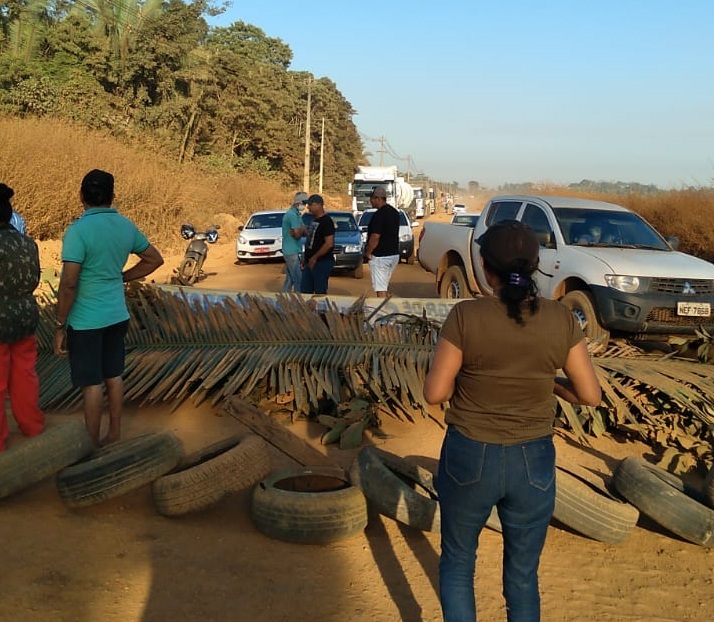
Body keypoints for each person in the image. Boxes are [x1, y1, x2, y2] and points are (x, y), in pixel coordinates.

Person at [423, 219, 601, 621]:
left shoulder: (465, 316)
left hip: (470, 454)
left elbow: (435, 393)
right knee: (522, 576)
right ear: (536, 266)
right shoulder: (561, 319)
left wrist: (469, 381)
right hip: (533, 461)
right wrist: (551, 384)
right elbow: (590, 395)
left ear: (485, 267)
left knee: (458, 564)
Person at [53, 169, 164, 447]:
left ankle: (91, 444)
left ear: (81, 196)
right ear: (112, 196)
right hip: (117, 316)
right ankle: (114, 434)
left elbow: (69, 283)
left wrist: (59, 325)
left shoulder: (78, 231)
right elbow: (154, 259)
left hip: (85, 321)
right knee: (113, 376)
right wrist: (122, 276)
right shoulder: (125, 226)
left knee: (92, 384)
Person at [0, 183, 45, 451]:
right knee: (25, 376)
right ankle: (33, 426)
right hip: (25, 319)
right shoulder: (28, 243)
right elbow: (34, 279)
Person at [364, 186, 400, 298]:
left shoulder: (379, 215)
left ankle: (382, 308)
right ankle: (386, 305)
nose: (370, 201)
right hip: (394, 255)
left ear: (378, 199)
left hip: (381, 257)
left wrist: (368, 252)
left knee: (380, 289)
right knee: (384, 285)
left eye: (372, 198)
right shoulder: (394, 212)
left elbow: (375, 236)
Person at [300, 194, 335, 295]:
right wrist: (305, 258)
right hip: (309, 262)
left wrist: (314, 258)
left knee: (319, 292)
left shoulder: (326, 222)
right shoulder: (314, 221)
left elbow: (329, 243)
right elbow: (310, 241)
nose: (308, 207)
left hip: (321, 262)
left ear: (318, 205)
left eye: (310, 205)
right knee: (305, 291)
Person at [281, 191, 308, 293]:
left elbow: (304, 232)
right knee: (298, 278)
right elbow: (298, 235)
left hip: (294, 250)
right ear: (298, 202)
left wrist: (300, 230)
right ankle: (298, 298)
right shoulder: (292, 215)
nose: (305, 205)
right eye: (304, 203)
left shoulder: (297, 215)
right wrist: (301, 230)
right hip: (291, 251)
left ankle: (284, 297)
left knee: (290, 279)